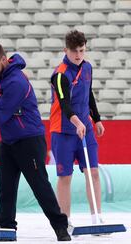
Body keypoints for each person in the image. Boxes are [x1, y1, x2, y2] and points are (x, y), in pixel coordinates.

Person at [0, 42, 71, 241]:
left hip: (29, 142)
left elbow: (0, 113)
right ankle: (6, 229)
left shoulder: (16, 82)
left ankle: (60, 227)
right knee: (6, 189)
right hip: (9, 143)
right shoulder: (2, 78)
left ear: (3, 60)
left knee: (40, 186)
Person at [50, 30, 105, 229]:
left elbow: (88, 94)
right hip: (63, 131)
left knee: (94, 172)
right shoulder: (60, 74)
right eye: (74, 51)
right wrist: (76, 122)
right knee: (65, 177)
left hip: (86, 128)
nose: (79, 55)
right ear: (66, 50)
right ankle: (65, 220)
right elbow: (64, 104)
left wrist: (96, 120)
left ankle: (97, 217)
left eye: (82, 50)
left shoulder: (88, 67)